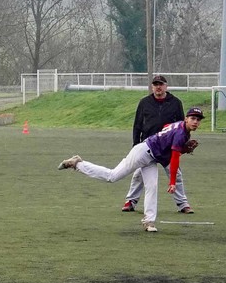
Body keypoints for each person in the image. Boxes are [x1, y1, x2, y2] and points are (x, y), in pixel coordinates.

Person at [58, 107, 203, 233]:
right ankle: (77, 164)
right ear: (186, 119)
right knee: (112, 176)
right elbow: (174, 159)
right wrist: (172, 182)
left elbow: (166, 127)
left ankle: (149, 221)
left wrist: (178, 146)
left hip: (151, 157)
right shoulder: (181, 133)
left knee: (152, 187)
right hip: (142, 153)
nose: (195, 121)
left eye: (198, 119)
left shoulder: (179, 127)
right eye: (193, 118)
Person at [121, 75, 192, 215]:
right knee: (138, 175)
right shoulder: (144, 103)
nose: (158, 87)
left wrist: (182, 144)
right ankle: (130, 201)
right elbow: (137, 125)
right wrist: (136, 144)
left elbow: (182, 126)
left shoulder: (175, 103)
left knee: (175, 174)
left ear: (166, 86)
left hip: (167, 147)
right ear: (152, 86)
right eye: (155, 84)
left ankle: (182, 204)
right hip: (148, 146)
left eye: (161, 84)